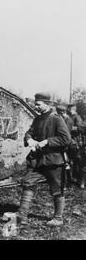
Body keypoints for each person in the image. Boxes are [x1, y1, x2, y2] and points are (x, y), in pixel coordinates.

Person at [17, 92, 71, 227]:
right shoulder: (38, 119)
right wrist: (29, 139)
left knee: (57, 189)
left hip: (54, 162)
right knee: (27, 182)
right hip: (39, 160)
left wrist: (47, 141)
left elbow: (66, 139)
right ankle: (22, 215)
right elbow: (29, 132)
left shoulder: (56, 119)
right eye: (35, 104)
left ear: (48, 104)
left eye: (38, 104)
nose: (35, 106)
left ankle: (58, 218)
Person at [67, 103, 85, 188]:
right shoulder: (68, 117)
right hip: (68, 141)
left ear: (74, 109)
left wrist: (69, 128)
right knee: (69, 161)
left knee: (78, 161)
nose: (69, 110)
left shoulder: (77, 117)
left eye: (71, 109)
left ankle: (80, 181)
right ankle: (70, 179)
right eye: (69, 109)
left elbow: (80, 128)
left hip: (76, 141)